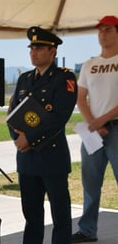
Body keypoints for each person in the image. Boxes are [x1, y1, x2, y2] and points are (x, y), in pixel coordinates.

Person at [8, 26, 77, 244]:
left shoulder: (64, 78)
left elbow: (58, 117)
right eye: (32, 48)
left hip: (51, 157)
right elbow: (13, 113)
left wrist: (29, 139)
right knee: (32, 215)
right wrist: (17, 139)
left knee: (60, 215)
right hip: (27, 159)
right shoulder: (25, 79)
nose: (33, 52)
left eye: (39, 48)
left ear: (53, 51)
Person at [71, 15, 118, 243]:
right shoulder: (90, 64)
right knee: (90, 182)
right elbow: (81, 98)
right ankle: (87, 230)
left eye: (108, 30)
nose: (103, 34)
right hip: (92, 131)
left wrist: (102, 121)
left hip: (115, 129)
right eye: (100, 30)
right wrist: (94, 123)